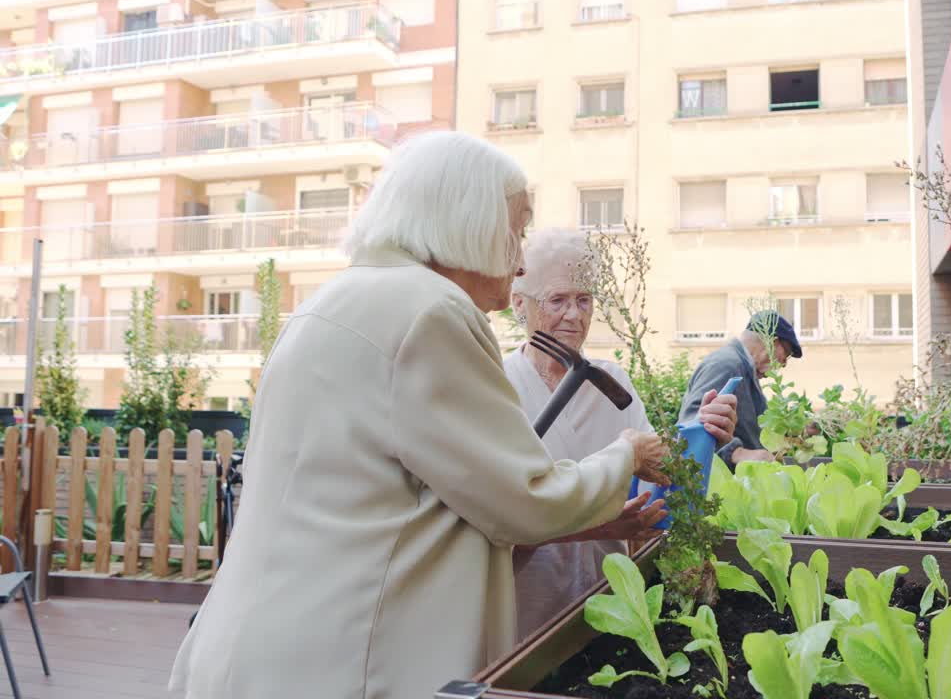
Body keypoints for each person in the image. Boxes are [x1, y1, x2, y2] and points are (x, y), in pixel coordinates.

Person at [168, 132, 671, 699]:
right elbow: (524, 498)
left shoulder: (332, 301)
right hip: (350, 660)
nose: (521, 257)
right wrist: (627, 454)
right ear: (467, 221)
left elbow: (404, 497)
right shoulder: (432, 312)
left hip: (266, 647)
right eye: (517, 228)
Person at [503, 229, 738, 641]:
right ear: (519, 304)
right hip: (527, 617)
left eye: (584, 299)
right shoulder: (498, 388)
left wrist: (704, 434)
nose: (574, 315)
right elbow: (500, 530)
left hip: (608, 605)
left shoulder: (612, 382)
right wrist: (599, 527)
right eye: (557, 300)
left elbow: (657, 480)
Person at [678, 310, 803, 467]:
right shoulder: (727, 364)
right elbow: (691, 424)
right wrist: (736, 453)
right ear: (773, 342)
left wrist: (796, 433)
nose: (784, 363)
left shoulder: (745, 369)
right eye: (787, 353)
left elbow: (748, 429)